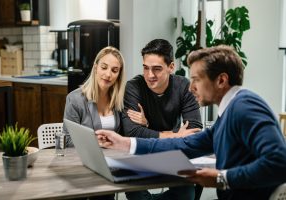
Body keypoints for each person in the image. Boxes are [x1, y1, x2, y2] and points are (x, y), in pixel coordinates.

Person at [96, 45, 286, 200]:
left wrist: (221, 178)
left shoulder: (244, 106)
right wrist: (124, 142)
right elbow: (185, 143)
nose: (191, 86)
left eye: (197, 79)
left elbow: (279, 162)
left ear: (221, 80)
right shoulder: (229, 112)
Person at [122, 39, 202, 200]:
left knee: (187, 194)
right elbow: (132, 132)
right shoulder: (134, 87)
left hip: (172, 154)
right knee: (135, 193)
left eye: (157, 69)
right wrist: (175, 135)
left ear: (171, 67)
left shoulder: (184, 86)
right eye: (146, 68)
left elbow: (194, 130)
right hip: (141, 155)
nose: (150, 75)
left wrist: (147, 127)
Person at [62, 46, 126, 200]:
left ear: (119, 75)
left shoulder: (119, 101)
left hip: (110, 166)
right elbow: (67, 140)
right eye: (104, 67)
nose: (108, 74)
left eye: (114, 70)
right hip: (82, 166)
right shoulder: (75, 99)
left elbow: (125, 134)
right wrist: (96, 142)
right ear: (96, 67)